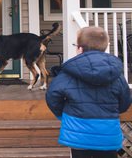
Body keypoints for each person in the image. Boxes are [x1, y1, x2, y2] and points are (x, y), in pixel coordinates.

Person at [46, 26, 131, 158]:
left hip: (78, 135)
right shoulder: (116, 74)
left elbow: (52, 96)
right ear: (105, 47)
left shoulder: (68, 72)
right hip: (107, 133)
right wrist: (112, 111)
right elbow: (125, 101)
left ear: (80, 49)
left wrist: (63, 114)